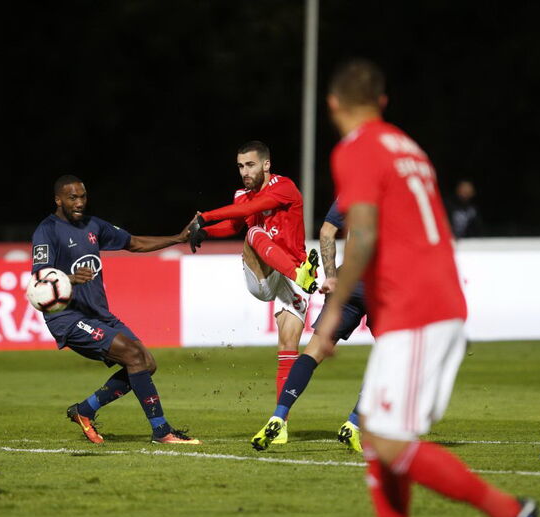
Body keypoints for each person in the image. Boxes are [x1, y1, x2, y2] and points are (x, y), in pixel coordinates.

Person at [316, 59, 537, 517]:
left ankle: (510, 513)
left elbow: (362, 235)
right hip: (429, 301)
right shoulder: (408, 147)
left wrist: (329, 318)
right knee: (374, 432)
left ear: (333, 106)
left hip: (417, 309)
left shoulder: (356, 150)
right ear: (384, 102)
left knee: (390, 443)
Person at [33, 175, 200, 445]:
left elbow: (133, 243)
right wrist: (70, 279)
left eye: (83, 196)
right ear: (58, 199)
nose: (79, 202)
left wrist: (179, 238)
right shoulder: (47, 231)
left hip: (98, 313)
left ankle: (84, 411)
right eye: (72, 197)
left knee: (146, 363)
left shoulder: (93, 225)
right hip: (67, 317)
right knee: (134, 356)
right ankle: (162, 432)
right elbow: (40, 279)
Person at [188, 141, 318, 437]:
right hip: (266, 274)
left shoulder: (284, 186)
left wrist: (205, 216)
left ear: (266, 165)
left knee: (288, 348)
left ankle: (279, 423)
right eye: (240, 166)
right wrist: (207, 231)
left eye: (250, 165)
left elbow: (257, 206)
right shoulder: (241, 196)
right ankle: (301, 274)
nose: (244, 172)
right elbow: (236, 225)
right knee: (254, 231)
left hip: (292, 276)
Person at [251, 199, 366, 452]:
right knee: (393, 356)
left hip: (347, 280)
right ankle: (354, 424)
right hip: (382, 285)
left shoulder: (352, 190)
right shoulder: (401, 191)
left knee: (313, 352)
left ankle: (279, 417)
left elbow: (326, 232)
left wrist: (332, 278)